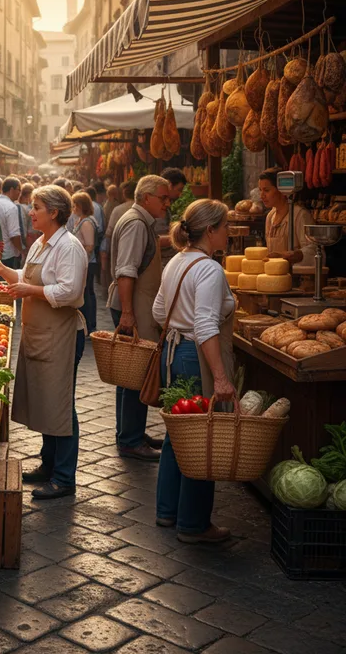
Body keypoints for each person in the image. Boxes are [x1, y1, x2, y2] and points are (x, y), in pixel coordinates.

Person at [0, 185, 88, 499]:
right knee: (45, 401)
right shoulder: (42, 243)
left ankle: (64, 478)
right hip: (41, 333)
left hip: (61, 335)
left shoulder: (69, 247)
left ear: (53, 212)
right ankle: (48, 464)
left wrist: (31, 291)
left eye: (36, 207)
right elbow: (28, 277)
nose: (30, 212)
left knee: (61, 405)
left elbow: (70, 291)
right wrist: (5, 272)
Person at [152, 199, 234, 544]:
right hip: (193, 357)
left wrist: (178, 331)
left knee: (177, 435)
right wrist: (220, 376)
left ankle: (167, 511)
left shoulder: (177, 262)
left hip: (173, 353)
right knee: (202, 440)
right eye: (226, 226)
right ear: (211, 231)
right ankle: (194, 523)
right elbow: (205, 326)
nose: (230, 233)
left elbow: (159, 310)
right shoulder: (210, 270)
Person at [107, 175, 171, 462]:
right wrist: (129, 312)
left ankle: (130, 432)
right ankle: (130, 439)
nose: (168, 204)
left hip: (138, 305)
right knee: (137, 374)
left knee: (130, 374)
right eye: (163, 198)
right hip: (135, 306)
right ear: (146, 198)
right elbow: (126, 271)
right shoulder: (135, 223)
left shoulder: (140, 221)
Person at [259, 168, 316, 265]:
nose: (262, 195)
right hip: (275, 275)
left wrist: (293, 255)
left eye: (267, 190)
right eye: (260, 190)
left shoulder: (300, 215)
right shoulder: (270, 216)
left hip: (297, 276)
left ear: (281, 190)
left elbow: (314, 250)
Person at [72, 191, 98, 334]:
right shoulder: (81, 220)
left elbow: (89, 245)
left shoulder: (86, 222)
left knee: (87, 293)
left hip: (87, 263)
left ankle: (89, 324)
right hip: (83, 263)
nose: (73, 208)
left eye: (75, 205)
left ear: (82, 206)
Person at [0, 177, 24, 269]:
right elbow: (14, 235)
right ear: (12, 189)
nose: (20, 193)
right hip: (8, 255)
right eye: (19, 190)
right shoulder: (11, 207)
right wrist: (21, 251)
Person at [155, 168, 188, 268]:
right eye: (179, 189)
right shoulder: (157, 208)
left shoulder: (165, 209)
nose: (180, 194)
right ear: (169, 184)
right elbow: (155, 240)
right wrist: (180, 238)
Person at [101, 184, 121, 291]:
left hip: (108, 236)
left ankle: (106, 285)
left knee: (107, 263)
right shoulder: (114, 205)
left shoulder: (107, 204)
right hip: (111, 236)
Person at [19, 182, 40, 248]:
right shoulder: (25, 207)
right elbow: (24, 225)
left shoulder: (22, 206)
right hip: (30, 236)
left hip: (31, 236)